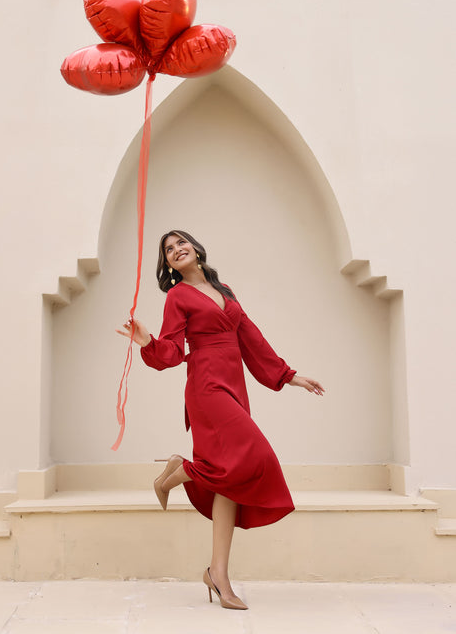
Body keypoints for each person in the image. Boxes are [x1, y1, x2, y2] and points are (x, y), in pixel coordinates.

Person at [117, 230, 324, 610]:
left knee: (232, 478)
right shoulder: (178, 296)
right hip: (206, 385)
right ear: (167, 264)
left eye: (181, 243)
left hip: (234, 384)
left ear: (195, 249)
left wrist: (289, 376)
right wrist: (146, 342)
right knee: (253, 457)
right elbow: (171, 350)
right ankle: (179, 473)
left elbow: (251, 337)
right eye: (168, 250)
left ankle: (218, 574)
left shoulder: (223, 289)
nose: (176, 250)